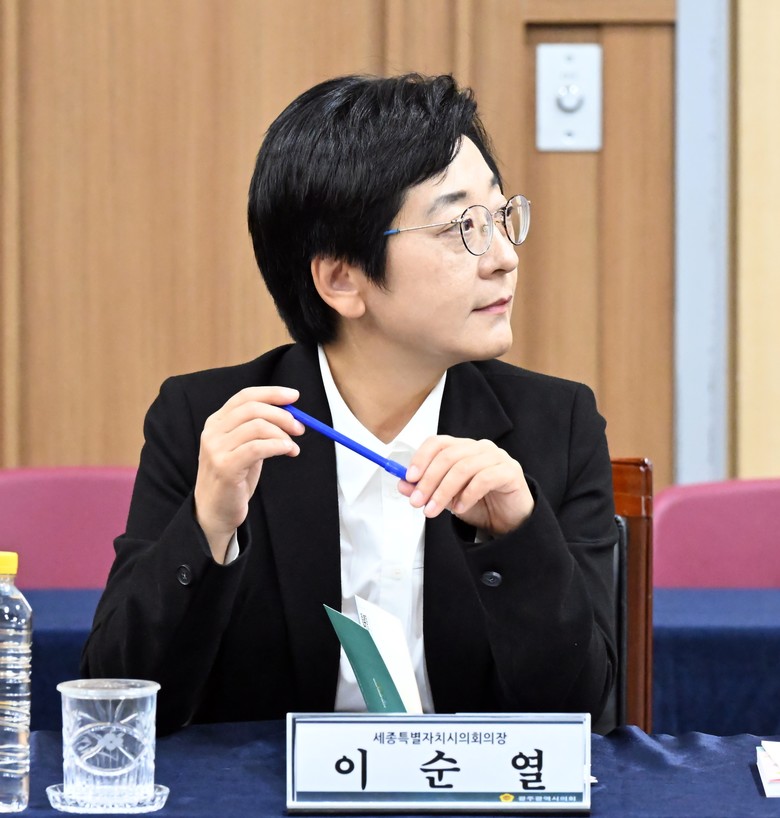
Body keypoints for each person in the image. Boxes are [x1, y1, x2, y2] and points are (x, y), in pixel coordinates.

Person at [81, 73, 618, 734]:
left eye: (500, 216)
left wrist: (517, 536)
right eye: (463, 227)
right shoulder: (209, 424)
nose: (504, 257)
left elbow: (588, 718)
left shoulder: (556, 428)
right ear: (342, 279)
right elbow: (116, 707)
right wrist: (208, 525)